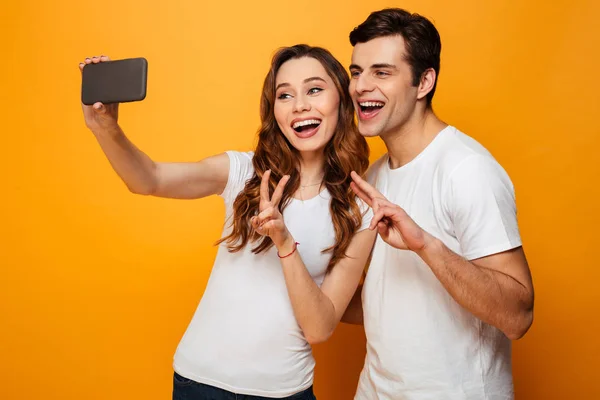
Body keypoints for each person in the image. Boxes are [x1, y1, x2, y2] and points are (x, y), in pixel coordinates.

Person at [79, 45, 376, 400]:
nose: (299, 105)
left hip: (284, 390)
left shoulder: (359, 206)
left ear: (341, 102)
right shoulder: (243, 171)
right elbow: (149, 179)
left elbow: (320, 327)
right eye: (285, 95)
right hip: (199, 385)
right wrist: (104, 128)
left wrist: (284, 242)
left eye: (314, 89)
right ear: (274, 111)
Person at [341, 8, 535, 400]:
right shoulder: (373, 177)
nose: (361, 86)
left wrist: (425, 245)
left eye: (382, 72)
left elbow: (518, 315)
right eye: (356, 71)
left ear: (424, 81)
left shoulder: (466, 169)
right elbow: (388, 305)